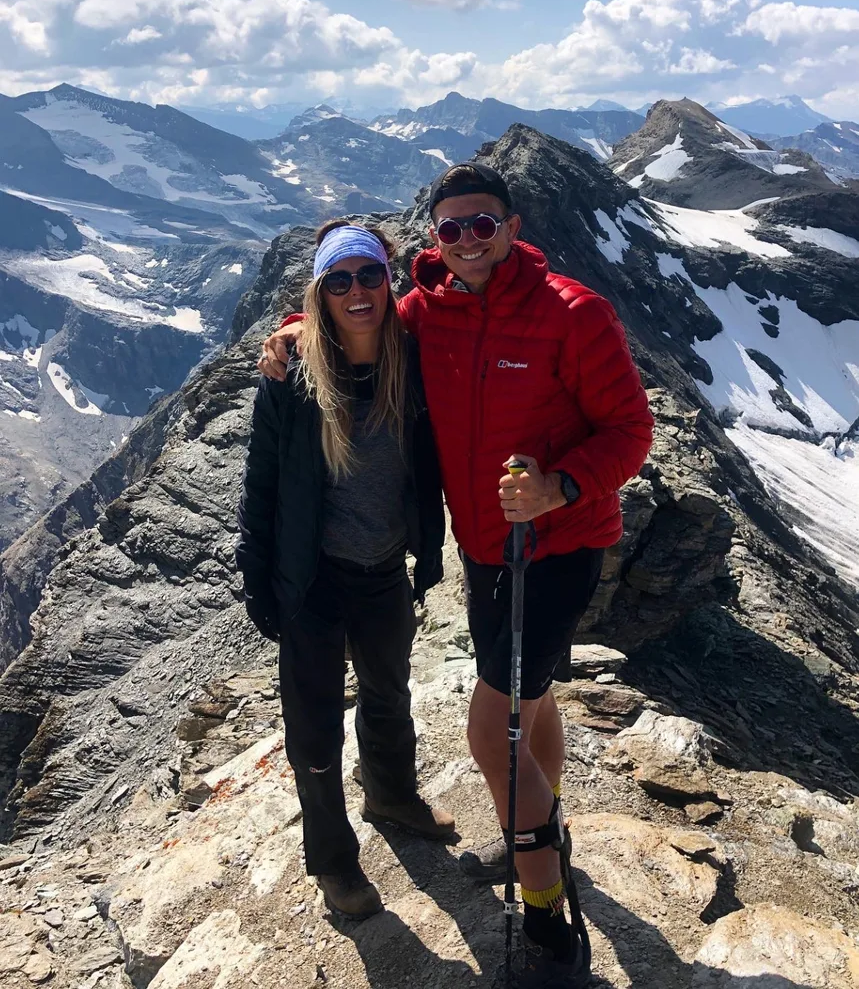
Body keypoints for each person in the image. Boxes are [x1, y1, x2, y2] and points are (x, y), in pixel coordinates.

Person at [259, 165, 654, 986]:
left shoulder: (572, 313)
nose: (467, 240)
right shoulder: (423, 314)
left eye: (482, 224)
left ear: (511, 225)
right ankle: (543, 833)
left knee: (489, 731)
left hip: (555, 548)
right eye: (450, 228)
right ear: (434, 239)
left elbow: (630, 428)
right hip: (486, 553)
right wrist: (296, 328)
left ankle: (546, 921)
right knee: (530, 696)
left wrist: (561, 484)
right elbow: (350, 319)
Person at [236, 220, 455, 922]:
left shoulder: (415, 362)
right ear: (320, 293)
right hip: (313, 578)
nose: (356, 291)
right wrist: (260, 583)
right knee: (314, 725)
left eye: (368, 276)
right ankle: (333, 861)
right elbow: (260, 486)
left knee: (389, 694)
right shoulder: (292, 378)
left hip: (385, 567)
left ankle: (391, 794)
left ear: (387, 284)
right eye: (339, 280)